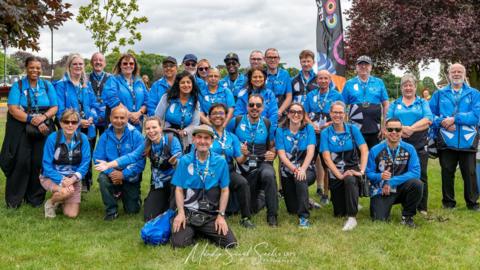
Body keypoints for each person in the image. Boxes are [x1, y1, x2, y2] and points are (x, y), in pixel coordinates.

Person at [95, 116, 182, 221]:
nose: (151, 131)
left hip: (175, 183)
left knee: (172, 212)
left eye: (154, 127)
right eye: (148, 128)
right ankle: (163, 202)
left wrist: (175, 162)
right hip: (159, 183)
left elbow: (181, 164)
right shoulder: (147, 143)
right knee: (149, 217)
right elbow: (131, 156)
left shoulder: (172, 140)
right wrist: (109, 165)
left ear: (161, 127)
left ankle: (174, 205)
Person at [0, 56, 58, 208]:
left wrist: (43, 118)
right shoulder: (18, 86)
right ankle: (15, 200)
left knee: (39, 162)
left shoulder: (47, 85)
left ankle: (35, 199)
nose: (35, 70)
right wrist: (32, 120)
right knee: (21, 162)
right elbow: (13, 109)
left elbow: (54, 107)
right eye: (32, 67)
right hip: (21, 128)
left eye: (38, 68)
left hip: (44, 125)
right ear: (26, 68)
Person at [171, 125, 237, 248]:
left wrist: (221, 216)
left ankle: (201, 230)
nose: (202, 141)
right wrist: (180, 213)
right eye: (199, 137)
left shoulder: (221, 162)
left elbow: (224, 190)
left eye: (206, 138)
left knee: (230, 243)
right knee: (178, 244)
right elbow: (179, 189)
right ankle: (195, 230)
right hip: (189, 213)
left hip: (210, 214)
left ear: (212, 141)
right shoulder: (185, 161)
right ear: (193, 139)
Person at [429, 63, 480, 211]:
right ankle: (448, 203)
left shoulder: (474, 94)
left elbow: (476, 116)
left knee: (470, 173)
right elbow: (430, 115)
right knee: (447, 172)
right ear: (449, 75)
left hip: (468, 139)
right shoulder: (439, 94)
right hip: (446, 139)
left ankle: (472, 203)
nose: (456, 74)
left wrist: (454, 119)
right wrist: (442, 122)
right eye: (453, 72)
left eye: (459, 72)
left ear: (464, 75)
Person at [227, 94, 278, 226]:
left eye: (258, 105)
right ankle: (260, 198)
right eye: (251, 105)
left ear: (263, 107)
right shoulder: (236, 121)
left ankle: (272, 215)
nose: (254, 108)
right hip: (242, 165)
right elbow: (226, 138)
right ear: (246, 106)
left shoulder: (267, 123)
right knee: (250, 208)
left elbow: (272, 146)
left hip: (261, 164)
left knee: (269, 174)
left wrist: (273, 154)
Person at [387, 74, 433, 215]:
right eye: (405, 85)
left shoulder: (422, 103)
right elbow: (388, 120)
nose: (408, 88)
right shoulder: (395, 103)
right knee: (401, 172)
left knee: (421, 174)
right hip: (399, 142)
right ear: (401, 88)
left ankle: (422, 207)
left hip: (419, 142)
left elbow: (428, 119)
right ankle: (405, 203)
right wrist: (401, 129)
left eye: (410, 85)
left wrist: (411, 128)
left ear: (415, 87)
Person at [321, 101, 368, 231]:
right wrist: (340, 175)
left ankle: (352, 218)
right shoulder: (326, 133)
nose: (338, 115)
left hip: (351, 169)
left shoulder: (353, 129)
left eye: (340, 112)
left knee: (350, 178)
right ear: (330, 114)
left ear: (345, 114)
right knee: (339, 213)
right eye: (335, 112)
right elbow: (326, 158)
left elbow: (364, 150)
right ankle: (351, 202)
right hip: (336, 173)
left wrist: (362, 171)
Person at [366, 118, 423, 227]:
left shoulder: (410, 149)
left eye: (397, 129)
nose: (394, 132)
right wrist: (380, 176)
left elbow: (416, 172)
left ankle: (407, 216)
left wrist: (392, 181)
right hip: (382, 190)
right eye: (390, 129)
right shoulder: (375, 150)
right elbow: (368, 173)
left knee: (417, 184)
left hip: (401, 188)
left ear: (402, 132)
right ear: (385, 131)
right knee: (379, 220)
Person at [93, 106, 146, 220]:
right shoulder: (105, 136)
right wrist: (112, 172)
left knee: (132, 211)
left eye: (122, 118)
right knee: (102, 179)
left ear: (127, 119)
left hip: (130, 174)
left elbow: (140, 161)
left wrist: (123, 174)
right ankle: (111, 211)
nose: (119, 121)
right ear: (110, 118)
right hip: (111, 173)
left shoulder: (136, 135)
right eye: (116, 117)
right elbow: (98, 159)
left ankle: (128, 195)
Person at [208, 103, 255, 228]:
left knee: (242, 183)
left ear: (225, 116)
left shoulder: (232, 137)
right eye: (214, 113)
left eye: (221, 113)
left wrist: (245, 154)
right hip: (210, 170)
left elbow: (239, 160)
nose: (218, 116)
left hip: (228, 170)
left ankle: (246, 217)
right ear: (209, 117)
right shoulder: (205, 134)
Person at [55, 53, 97, 192]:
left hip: (88, 126)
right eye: (75, 64)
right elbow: (60, 110)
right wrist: (79, 122)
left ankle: (85, 182)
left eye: (81, 64)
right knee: (72, 155)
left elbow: (92, 105)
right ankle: (68, 183)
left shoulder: (86, 85)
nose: (78, 66)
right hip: (71, 127)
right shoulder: (61, 85)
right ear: (69, 66)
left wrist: (92, 118)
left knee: (86, 154)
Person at [40, 109, 90, 218]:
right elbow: (46, 165)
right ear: (61, 123)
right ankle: (51, 203)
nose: (70, 125)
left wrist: (72, 179)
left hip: (73, 179)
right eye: (66, 122)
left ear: (78, 124)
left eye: (74, 122)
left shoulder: (83, 139)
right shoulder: (52, 138)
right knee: (65, 192)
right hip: (51, 177)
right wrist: (62, 180)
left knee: (71, 214)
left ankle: (61, 200)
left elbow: (85, 163)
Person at [305, 69, 344, 205]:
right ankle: (305, 194)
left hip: (329, 132)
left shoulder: (336, 95)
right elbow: (304, 114)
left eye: (325, 78)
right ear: (317, 80)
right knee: (308, 161)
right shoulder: (310, 95)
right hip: (313, 132)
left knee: (327, 163)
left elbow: (341, 114)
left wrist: (329, 123)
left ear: (329, 80)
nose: (323, 81)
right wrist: (312, 125)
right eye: (320, 78)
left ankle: (326, 194)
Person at [276, 103, 316, 228]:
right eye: (293, 111)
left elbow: (311, 151)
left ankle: (304, 217)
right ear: (288, 114)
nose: (296, 114)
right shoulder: (280, 130)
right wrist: (294, 169)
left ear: (303, 115)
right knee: (292, 209)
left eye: (299, 112)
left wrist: (302, 169)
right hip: (287, 171)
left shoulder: (308, 128)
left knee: (300, 179)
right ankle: (307, 202)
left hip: (306, 169)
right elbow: (281, 155)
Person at [342, 55, 389, 149]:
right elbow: (342, 105)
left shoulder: (379, 82)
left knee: (374, 157)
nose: (363, 67)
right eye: (360, 64)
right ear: (356, 67)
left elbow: (386, 104)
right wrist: (344, 126)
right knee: (357, 158)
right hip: (355, 129)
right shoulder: (349, 83)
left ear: (371, 67)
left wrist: (384, 126)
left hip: (375, 129)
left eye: (366, 64)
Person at [155, 71, 201, 152]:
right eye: (182, 82)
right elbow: (157, 117)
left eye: (188, 82)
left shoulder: (195, 101)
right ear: (178, 85)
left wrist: (185, 131)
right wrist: (169, 129)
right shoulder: (167, 98)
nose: (186, 85)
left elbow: (195, 123)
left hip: (186, 138)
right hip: (167, 135)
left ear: (192, 84)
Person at [102, 53, 148, 131]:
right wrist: (129, 115)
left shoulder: (139, 81)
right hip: (119, 123)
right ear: (120, 65)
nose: (128, 65)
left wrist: (138, 113)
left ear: (135, 66)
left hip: (137, 123)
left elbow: (147, 101)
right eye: (125, 63)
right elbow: (112, 99)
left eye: (131, 63)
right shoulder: (113, 80)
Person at [264, 48, 292, 117]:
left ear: (279, 59)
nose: (272, 60)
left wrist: (280, 111)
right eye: (270, 57)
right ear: (265, 59)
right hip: (265, 114)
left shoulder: (285, 74)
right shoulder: (261, 74)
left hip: (281, 114)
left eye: (275, 57)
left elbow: (289, 96)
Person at [89, 52, 110, 136]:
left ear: (104, 63)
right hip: (90, 118)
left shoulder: (111, 78)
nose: (98, 62)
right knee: (89, 145)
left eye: (100, 60)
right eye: (95, 60)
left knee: (105, 146)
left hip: (106, 117)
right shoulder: (85, 78)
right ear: (91, 63)